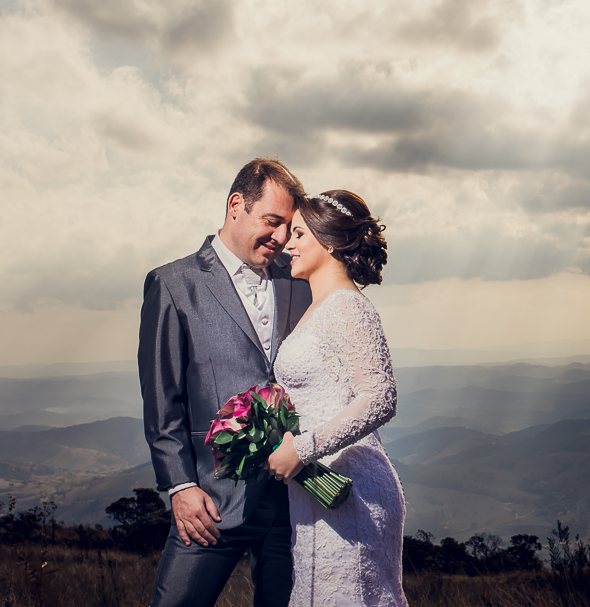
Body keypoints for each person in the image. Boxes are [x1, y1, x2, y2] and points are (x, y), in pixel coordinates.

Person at [139, 158, 313, 607]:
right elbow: (164, 399)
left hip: (293, 500)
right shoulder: (173, 284)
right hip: (211, 502)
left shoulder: (298, 280)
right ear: (236, 205)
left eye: (289, 228)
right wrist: (180, 487)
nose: (280, 238)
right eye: (272, 222)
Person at [264, 189, 407, 607]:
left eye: (299, 234)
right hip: (316, 489)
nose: (287, 244)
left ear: (329, 242)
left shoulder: (347, 306)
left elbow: (380, 396)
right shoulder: (317, 307)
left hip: (351, 488)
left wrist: (302, 448)